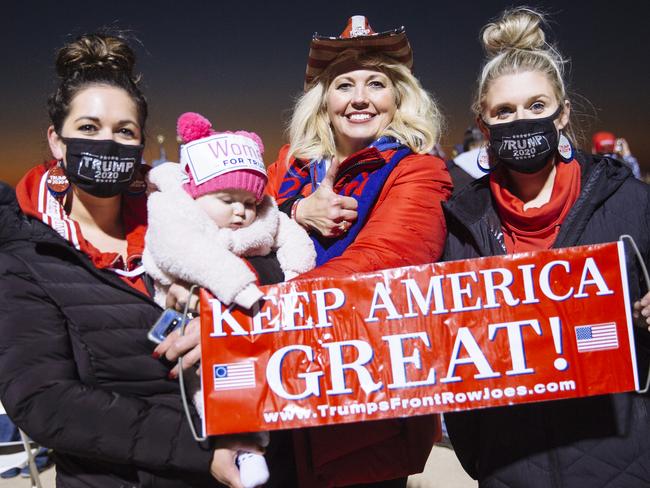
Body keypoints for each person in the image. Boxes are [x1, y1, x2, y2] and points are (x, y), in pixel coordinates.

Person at [0, 33, 262, 488]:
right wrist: (202, 447)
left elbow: (277, 282)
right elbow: (44, 400)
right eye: (88, 128)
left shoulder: (188, 221)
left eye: (124, 131)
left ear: (141, 144)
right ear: (57, 142)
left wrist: (226, 326)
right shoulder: (28, 252)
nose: (107, 143)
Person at [442, 7, 650, 487]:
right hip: (509, 467)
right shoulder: (458, 222)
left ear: (563, 113)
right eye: (505, 112)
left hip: (623, 462)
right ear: (484, 123)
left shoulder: (632, 204)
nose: (522, 120)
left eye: (537, 106)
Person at [263, 14, 452, 487]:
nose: (360, 98)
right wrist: (295, 207)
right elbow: (237, 217)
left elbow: (375, 267)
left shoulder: (421, 171)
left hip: (363, 407)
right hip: (278, 395)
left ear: (399, 96)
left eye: (377, 83)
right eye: (344, 84)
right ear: (324, 100)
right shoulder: (290, 165)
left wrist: (250, 312)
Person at [143, 112, 317, 487]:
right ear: (198, 193)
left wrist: (295, 281)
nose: (241, 211)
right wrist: (239, 287)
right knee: (207, 389)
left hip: (249, 331)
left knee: (260, 382)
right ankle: (234, 445)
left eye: (248, 202)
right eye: (227, 199)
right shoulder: (172, 210)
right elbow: (184, 253)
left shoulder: (263, 218)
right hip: (194, 329)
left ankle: (252, 447)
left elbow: (292, 238)